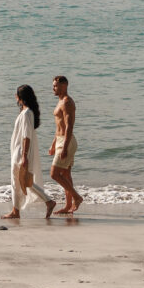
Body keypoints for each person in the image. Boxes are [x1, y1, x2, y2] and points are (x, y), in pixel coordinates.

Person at [4, 84, 52, 221]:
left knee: (18, 181)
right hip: (20, 151)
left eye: (16, 94)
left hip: (20, 152)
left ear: (20, 97)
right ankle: (48, 201)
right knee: (25, 181)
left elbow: (26, 136)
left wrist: (24, 156)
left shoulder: (26, 114)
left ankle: (15, 211)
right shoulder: (27, 112)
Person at [50, 74, 81, 214]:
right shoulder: (60, 101)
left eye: (56, 85)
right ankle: (68, 206)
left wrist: (65, 147)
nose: (53, 88)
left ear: (65, 86)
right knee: (66, 175)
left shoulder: (67, 102)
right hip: (61, 140)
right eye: (53, 85)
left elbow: (69, 126)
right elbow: (59, 126)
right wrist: (53, 144)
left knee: (54, 174)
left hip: (66, 141)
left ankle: (77, 197)